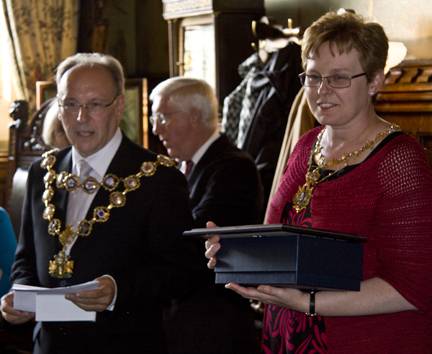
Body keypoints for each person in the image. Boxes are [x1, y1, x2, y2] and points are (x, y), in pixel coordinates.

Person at [205, 11, 432, 354]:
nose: (321, 91)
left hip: (363, 341)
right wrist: (236, 254)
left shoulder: (400, 161)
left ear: (374, 81)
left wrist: (309, 303)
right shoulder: (306, 145)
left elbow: (414, 288)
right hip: (287, 336)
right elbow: (279, 238)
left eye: (338, 78)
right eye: (312, 77)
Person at [1, 53, 202, 354]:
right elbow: (25, 259)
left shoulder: (157, 177)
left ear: (119, 106)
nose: (81, 117)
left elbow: (183, 272)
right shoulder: (43, 172)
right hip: (49, 346)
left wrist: (118, 290)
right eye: (70, 104)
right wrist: (20, 296)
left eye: (95, 105)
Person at [150, 77, 263, 354]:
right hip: (182, 323)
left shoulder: (233, 168)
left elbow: (194, 241)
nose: (155, 128)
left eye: (164, 117)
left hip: (212, 329)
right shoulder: (182, 167)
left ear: (195, 117)